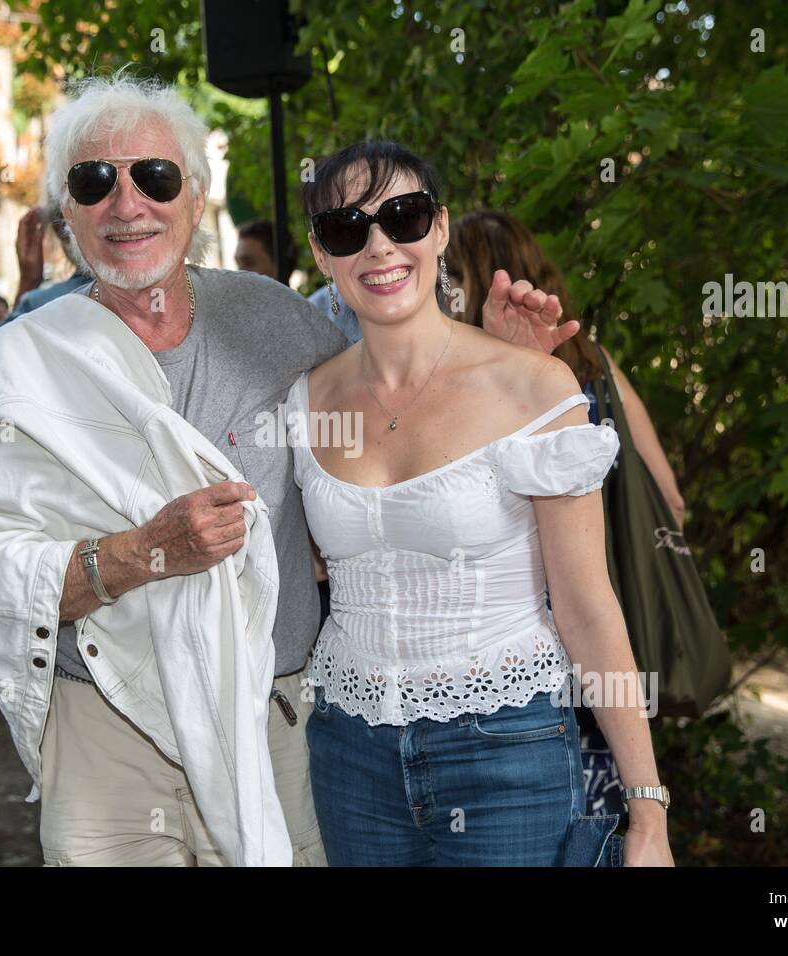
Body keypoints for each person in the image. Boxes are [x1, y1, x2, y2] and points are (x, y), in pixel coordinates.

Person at [0, 73, 573, 867]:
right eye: (95, 182)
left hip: (276, 728)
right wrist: (143, 552)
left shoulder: (279, 323)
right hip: (107, 744)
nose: (127, 206)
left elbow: (408, 422)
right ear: (67, 212)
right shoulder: (24, 364)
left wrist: (505, 365)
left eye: (154, 177)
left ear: (196, 200)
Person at [293, 140, 675, 866]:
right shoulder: (303, 402)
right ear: (322, 252)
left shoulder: (535, 391)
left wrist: (646, 810)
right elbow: (306, 565)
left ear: (438, 229)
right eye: (348, 227)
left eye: (401, 217)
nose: (379, 246)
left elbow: (589, 606)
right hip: (348, 752)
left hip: (506, 752)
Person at [445, 210, 689, 819]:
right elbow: (673, 503)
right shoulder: (598, 364)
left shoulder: (465, 384)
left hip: (517, 656)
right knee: (599, 821)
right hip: (606, 641)